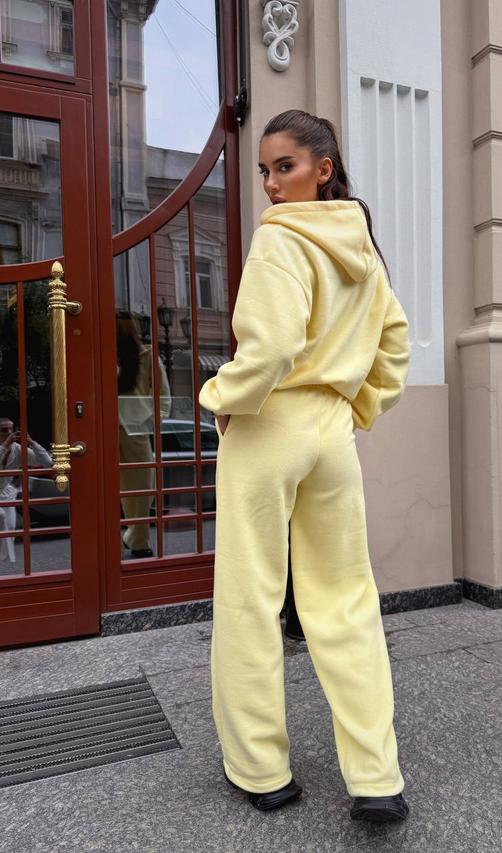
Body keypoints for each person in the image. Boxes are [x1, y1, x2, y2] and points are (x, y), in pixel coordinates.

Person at [199, 110, 411, 822]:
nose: (270, 183)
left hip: (270, 422)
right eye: (264, 170)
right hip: (331, 434)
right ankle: (376, 777)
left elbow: (272, 343)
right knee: (346, 600)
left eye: (283, 166)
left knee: (249, 598)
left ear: (323, 168)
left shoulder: (280, 237)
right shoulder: (361, 248)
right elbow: (395, 345)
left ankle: (263, 770)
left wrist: (222, 398)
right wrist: (355, 406)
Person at [117, 314, 171, 559]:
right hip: (103, 427)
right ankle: (124, 539)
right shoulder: (99, 354)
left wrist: (152, 421)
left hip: (135, 428)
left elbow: (163, 393)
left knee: (141, 489)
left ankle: (138, 539)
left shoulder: (148, 357)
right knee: (106, 487)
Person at [0, 418, 52, 562]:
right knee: (1, 516)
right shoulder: (6, 446)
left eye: (11, 429)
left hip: (5, 491)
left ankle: (5, 560)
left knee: (10, 526)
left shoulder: (18, 449)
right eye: (4, 430)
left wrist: (31, 442)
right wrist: (5, 445)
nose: (9, 432)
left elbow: (46, 462)